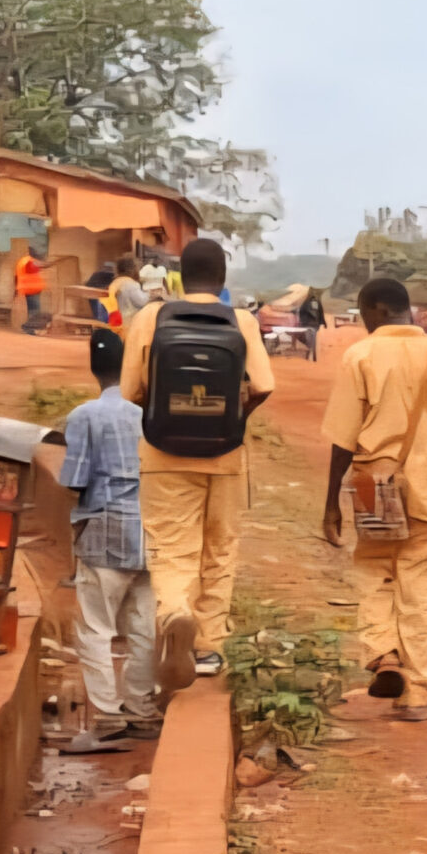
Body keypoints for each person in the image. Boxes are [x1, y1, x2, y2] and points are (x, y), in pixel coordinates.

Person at [321, 278, 427, 720]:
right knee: (422, 585)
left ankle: (384, 654)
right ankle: (416, 690)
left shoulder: (359, 356)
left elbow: (343, 439)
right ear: (407, 311)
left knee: (374, 570)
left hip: (372, 482)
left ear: (374, 312)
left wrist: (330, 506)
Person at [122, 238, 276, 684]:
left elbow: (131, 390)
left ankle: (174, 613)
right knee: (219, 549)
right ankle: (207, 647)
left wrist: (165, 411)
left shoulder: (151, 317)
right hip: (225, 455)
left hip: (163, 453)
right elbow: (264, 384)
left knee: (171, 548)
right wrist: (233, 417)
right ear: (223, 278)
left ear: (178, 279)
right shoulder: (241, 320)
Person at [59, 330, 160, 732]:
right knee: (144, 622)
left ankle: (106, 710)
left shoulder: (85, 415)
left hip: (104, 527)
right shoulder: (149, 414)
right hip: (152, 526)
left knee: (96, 625)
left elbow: (76, 477)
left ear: (93, 368)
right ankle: (140, 704)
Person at [109, 257, 150, 332]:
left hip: (115, 322)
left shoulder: (115, 283)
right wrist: (149, 294)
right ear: (133, 269)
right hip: (129, 323)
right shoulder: (130, 284)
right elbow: (141, 302)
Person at [15, 246, 49, 335]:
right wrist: (42, 265)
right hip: (32, 289)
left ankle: (30, 329)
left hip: (28, 288)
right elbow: (34, 268)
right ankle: (28, 327)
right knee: (35, 311)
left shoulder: (23, 261)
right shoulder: (30, 261)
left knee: (32, 310)